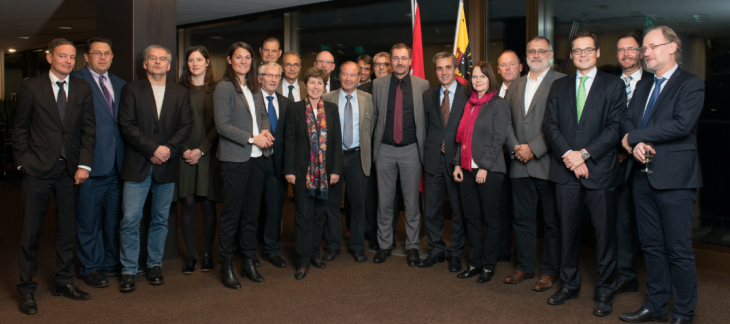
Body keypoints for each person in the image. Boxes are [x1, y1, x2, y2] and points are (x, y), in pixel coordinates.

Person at [618, 26, 704, 324]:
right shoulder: (642, 85)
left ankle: (683, 312)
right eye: (644, 47)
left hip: (676, 180)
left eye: (652, 46)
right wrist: (635, 140)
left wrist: (634, 137)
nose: (646, 53)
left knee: (678, 250)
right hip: (642, 176)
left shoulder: (691, 84)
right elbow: (627, 118)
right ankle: (655, 305)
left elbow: (681, 125)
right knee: (652, 247)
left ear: (672, 47)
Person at [542, 33, 625, 317]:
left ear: (598, 53)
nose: (582, 54)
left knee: (605, 235)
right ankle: (569, 285)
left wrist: (585, 154)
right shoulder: (559, 86)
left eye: (588, 49)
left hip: (601, 171)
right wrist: (570, 157)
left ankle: (604, 291)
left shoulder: (614, 85)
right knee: (567, 231)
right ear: (571, 55)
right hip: (566, 172)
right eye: (577, 50)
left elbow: (615, 128)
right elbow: (550, 126)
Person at [14, 38, 96, 315]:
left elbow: (89, 130)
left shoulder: (83, 88)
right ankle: (26, 290)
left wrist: (84, 164)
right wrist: (24, 162)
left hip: (70, 171)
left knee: (66, 231)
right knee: (31, 232)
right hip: (37, 170)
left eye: (72, 57)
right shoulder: (31, 86)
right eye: (63, 56)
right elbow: (20, 128)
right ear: (49, 57)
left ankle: (64, 282)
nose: (68, 61)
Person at [118, 44, 193, 292]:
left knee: (160, 219)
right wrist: (153, 149)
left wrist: (168, 150)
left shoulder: (180, 92)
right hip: (138, 164)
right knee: (130, 219)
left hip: (167, 165)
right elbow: (127, 125)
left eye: (163, 59)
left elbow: (185, 126)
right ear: (145, 64)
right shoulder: (131, 89)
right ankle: (129, 269)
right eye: (153, 58)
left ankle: (154, 265)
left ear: (169, 65)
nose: (158, 62)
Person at [503, 36, 565, 291]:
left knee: (552, 221)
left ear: (550, 54)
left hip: (548, 163)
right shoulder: (515, 85)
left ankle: (549, 271)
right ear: (526, 55)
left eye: (542, 51)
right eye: (531, 51)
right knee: (522, 219)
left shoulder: (562, 82)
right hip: (519, 163)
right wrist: (516, 147)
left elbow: (562, 123)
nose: (536, 55)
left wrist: (534, 148)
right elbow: (505, 122)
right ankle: (525, 266)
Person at [214, 42, 273, 289]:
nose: (243, 61)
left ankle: (249, 260)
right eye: (238, 57)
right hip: (235, 159)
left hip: (257, 159)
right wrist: (252, 138)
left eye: (248, 57)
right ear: (229, 60)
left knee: (251, 215)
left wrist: (266, 132)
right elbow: (222, 125)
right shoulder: (224, 87)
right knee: (232, 215)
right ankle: (226, 264)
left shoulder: (254, 86)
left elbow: (261, 115)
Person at [70, 36, 127, 289]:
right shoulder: (75, 81)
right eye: (97, 53)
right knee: (88, 219)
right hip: (90, 165)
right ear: (86, 57)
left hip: (118, 164)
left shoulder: (120, 84)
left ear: (112, 57)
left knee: (115, 218)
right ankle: (91, 266)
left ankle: (111, 262)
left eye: (107, 53)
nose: (102, 57)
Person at [371, 43, 430, 266]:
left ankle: (413, 246)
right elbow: (376, 116)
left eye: (403, 58)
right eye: (395, 58)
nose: (399, 62)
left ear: (410, 61)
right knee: (384, 202)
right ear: (390, 62)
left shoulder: (422, 84)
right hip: (384, 149)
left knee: (411, 202)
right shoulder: (378, 84)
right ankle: (385, 245)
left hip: (411, 150)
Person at [452, 61, 509, 284]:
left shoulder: (498, 104)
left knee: (491, 220)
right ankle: (475, 263)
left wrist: (484, 166)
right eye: (474, 77)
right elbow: (462, 139)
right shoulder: (470, 105)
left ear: (489, 79)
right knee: (472, 218)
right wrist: (457, 163)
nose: (477, 80)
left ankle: (488, 266)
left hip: (490, 170)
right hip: (466, 170)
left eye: (482, 77)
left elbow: (498, 139)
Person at [284, 67, 343, 280]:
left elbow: (336, 141)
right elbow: (289, 140)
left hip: (325, 172)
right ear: (305, 85)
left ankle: (314, 254)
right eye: (311, 83)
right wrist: (289, 169)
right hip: (302, 171)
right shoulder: (295, 109)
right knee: (303, 215)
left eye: (320, 83)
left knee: (319, 214)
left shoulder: (332, 109)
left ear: (324, 86)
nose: (316, 87)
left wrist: (335, 170)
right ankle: (302, 261)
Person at [419, 52, 468, 272]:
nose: (444, 72)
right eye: (439, 68)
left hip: (457, 160)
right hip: (432, 159)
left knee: (458, 209)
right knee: (432, 208)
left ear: (455, 68)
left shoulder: (468, 92)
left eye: (448, 67)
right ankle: (436, 249)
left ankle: (456, 253)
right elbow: (427, 127)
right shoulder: (428, 95)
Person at [612, 33, 653, 296]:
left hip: (649, 161)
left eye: (631, 49)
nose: (626, 54)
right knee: (621, 223)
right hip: (615, 163)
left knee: (651, 227)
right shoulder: (607, 83)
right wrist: (616, 148)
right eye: (620, 50)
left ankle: (658, 281)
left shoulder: (653, 82)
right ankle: (626, 275)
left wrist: (633, 144)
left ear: (640, 52)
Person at [322, 61, 375, 263]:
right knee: (332, 203)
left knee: (358, 204)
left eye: (353, 75)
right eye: (344, 74)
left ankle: (357, 246)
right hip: (334, 157)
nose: (348, 78)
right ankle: (333, 245)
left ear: (359, 76)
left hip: (358, 157)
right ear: (339, 75)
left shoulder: (368, 99)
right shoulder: (327, 98)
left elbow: (372, 128)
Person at [176, 45, 222, 275]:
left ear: (207, 63)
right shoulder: (178, 90)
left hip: (208, 153)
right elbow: (171, 123)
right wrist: (185, 149)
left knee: (207, 203)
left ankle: (207, 256)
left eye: (199, 59)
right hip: (184, 154)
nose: (195, 63)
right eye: (191, 60)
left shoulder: (218, 89)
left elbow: (220, 125)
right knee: (188, 202)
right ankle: (191, 256)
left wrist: (200, 150)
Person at [258, 61, 292, 268]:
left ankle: (271, 249)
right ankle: (248, 250)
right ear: (260, 77)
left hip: (277, 165)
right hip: (253, 162)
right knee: (250, 208)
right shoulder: (251, 100)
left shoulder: (286, 103)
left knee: (274, 209)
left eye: (276, 76)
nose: (272, 79)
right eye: (268, 75)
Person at [495, 50, 523, 263]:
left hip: (523, 156)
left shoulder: (528, 90)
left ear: (520, 67)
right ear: (498, 70)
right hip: (498, 159)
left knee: (521, 208)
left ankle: (522, 254)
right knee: (500, 206)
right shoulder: (491, 94)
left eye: (511, 64)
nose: (507, 68)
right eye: (503, 65)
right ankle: (502, 250)